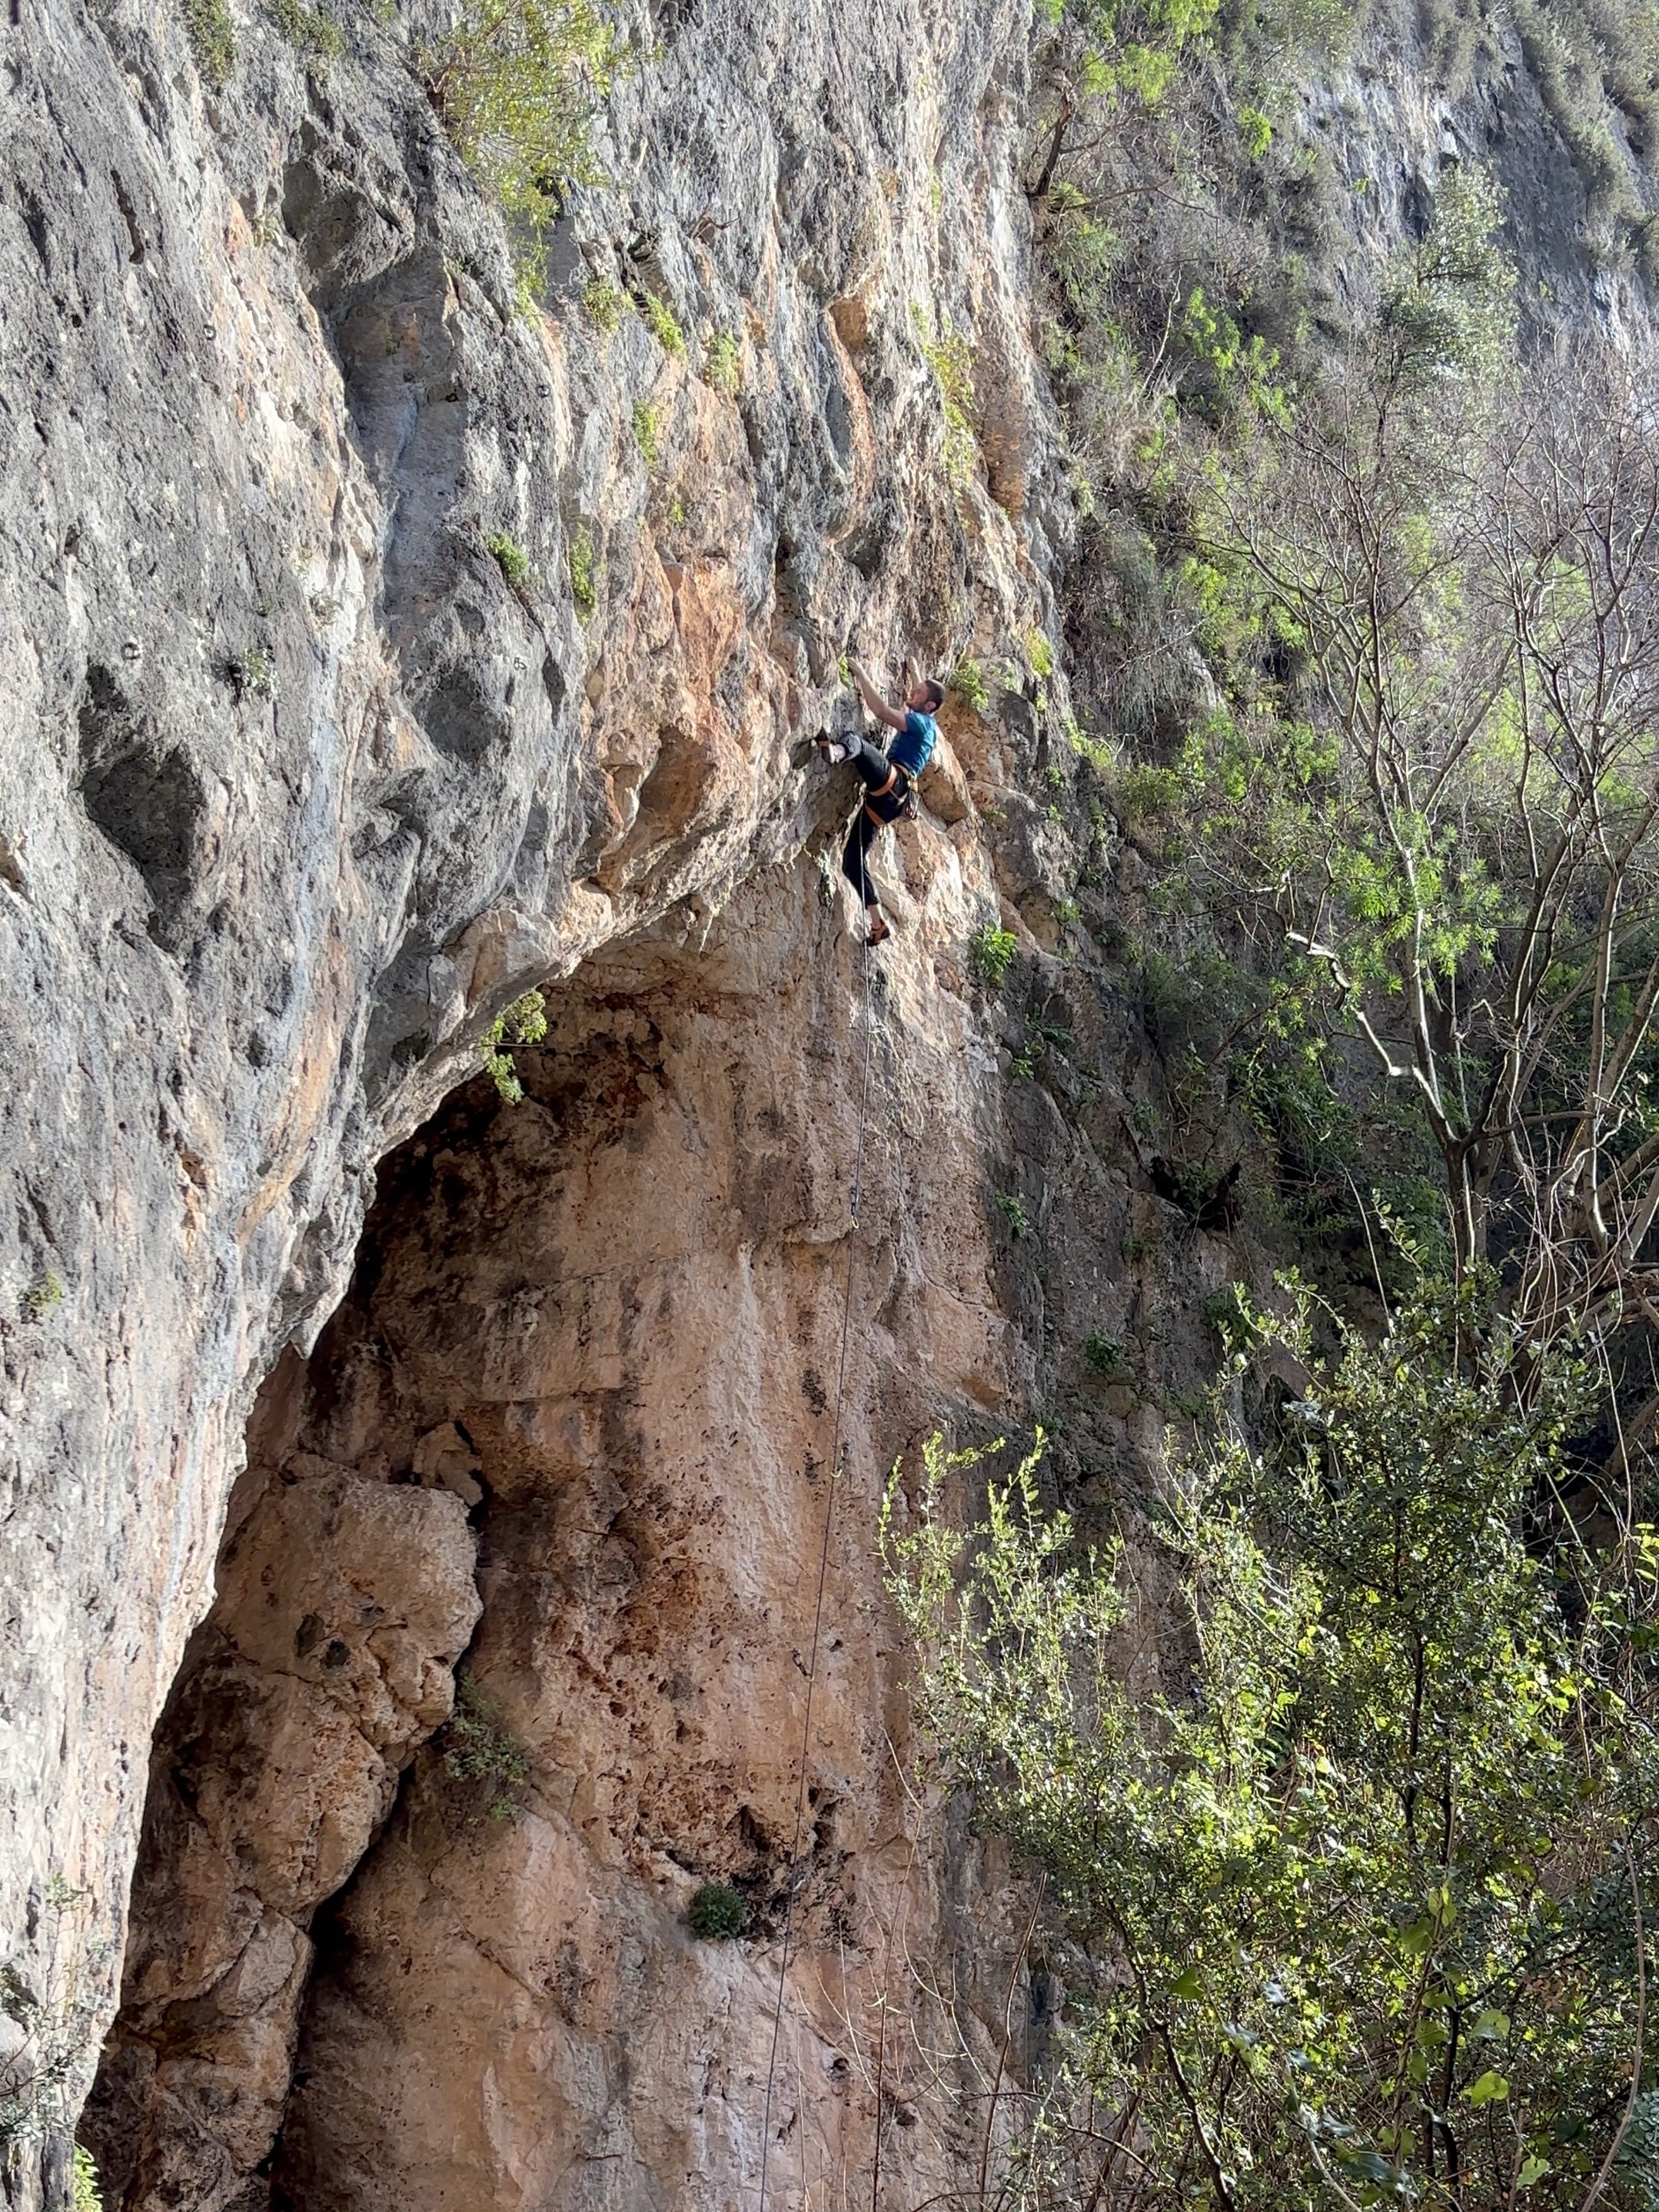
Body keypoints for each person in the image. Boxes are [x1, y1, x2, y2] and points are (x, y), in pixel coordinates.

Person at [817, 656, 945, 945]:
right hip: (889, 803)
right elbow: (924, 695)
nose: (911, 694)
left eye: (917, 693)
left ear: (929, 706)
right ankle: (878, 925)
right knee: (852, 862)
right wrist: (914, 672)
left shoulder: (922, 723)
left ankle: (836, 753)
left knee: (858, 744)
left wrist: (861, 674)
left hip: (893, 782)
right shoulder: (929, 720)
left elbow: (881, 711)